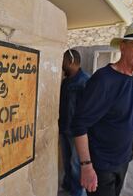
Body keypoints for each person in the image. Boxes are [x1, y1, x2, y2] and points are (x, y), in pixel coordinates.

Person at [71, 21, 133, 196]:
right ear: (123, 47)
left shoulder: (130, 77)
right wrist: (86, 166)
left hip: (122, 160)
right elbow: (79, 125)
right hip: (102, 167)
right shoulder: (104, 80)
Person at [59, 49, 90, 196]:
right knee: (67, 162)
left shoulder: (85, 81)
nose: (62, 64)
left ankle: (77, 192)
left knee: (75, 164)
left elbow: (88, 111)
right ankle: (68, 186)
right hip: (64, 129)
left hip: (76, 133)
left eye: (64, 60)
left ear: (71, 61)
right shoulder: (66, 82)